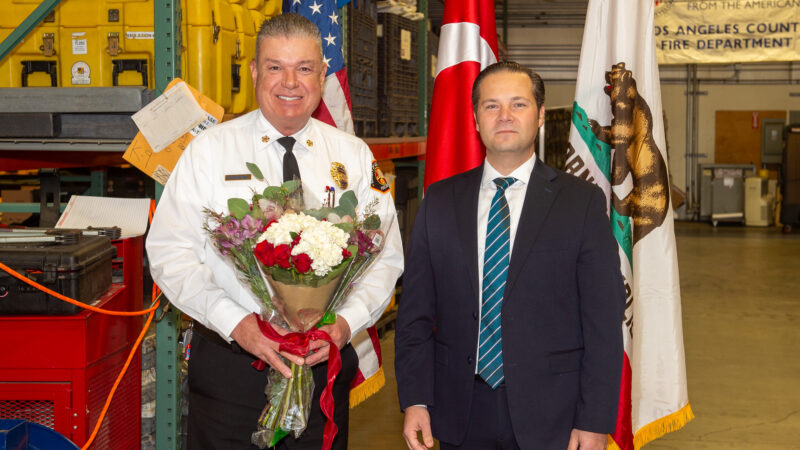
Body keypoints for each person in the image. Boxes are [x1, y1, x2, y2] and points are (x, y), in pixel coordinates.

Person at [146, 13, 403, 450]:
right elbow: (171, 253)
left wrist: (343, 325)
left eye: (304, 68)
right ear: (253, 72)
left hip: (322, 368)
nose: (290, 82)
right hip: (231, 372)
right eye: (275, 67)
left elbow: (384, 257)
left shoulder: (353, 156)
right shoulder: (209, 152)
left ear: (322, 75)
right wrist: (239, 324)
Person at [395, 61, 625, 450]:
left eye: (518, 104)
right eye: (491, 106)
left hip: (553, 414)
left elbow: (602, 322)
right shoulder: (439, 201)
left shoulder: (581, 202)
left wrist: (594, 420)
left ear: (539, 116)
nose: (504, 116)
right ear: (475, 119)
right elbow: (415, 313)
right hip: (457, 411)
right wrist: (416, 399)